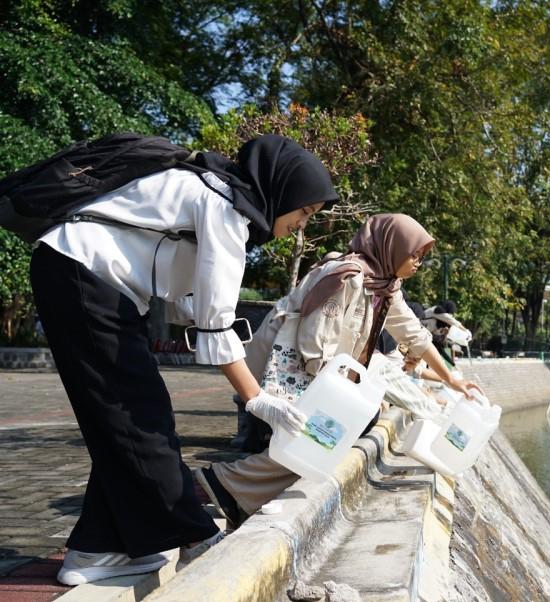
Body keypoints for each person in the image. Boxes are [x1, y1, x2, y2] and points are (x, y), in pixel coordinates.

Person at [30, 135, 339, 586]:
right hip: (84, 275)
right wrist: (257, 399)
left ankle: (96, 548)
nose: (301, 226)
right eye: (305, 213)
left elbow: (188, 304)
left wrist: (242, 367)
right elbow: (214, 322)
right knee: (140, 414)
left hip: (81, 276)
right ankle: (195, 535)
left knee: (123, 417)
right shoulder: (224, 204)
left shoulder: (214, 191)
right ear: (283, 191)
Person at [194, 214, 482, 526]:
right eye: (414, 255)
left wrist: (452, 379)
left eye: (422, 257)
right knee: (320, 434)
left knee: (323, 437)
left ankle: (226, 488)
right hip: (286, 366)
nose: (418, 264)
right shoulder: (345, 276)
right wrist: (341, 395)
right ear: (392, 247)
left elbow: (414, 334)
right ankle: (215, 485)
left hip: (318, 371)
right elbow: (313, 344)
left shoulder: (385, 285)